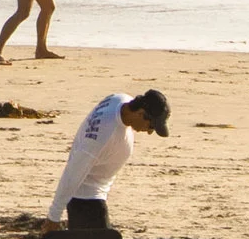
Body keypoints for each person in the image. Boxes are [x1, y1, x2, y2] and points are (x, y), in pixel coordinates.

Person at [45, 86, 168, 227]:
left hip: (93, 198)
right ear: (140, 113)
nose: (149, 132)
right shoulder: (100, 138)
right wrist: (54, 217)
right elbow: (72, 174)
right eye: (151, 126)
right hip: (87, 203)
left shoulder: (119, 99)